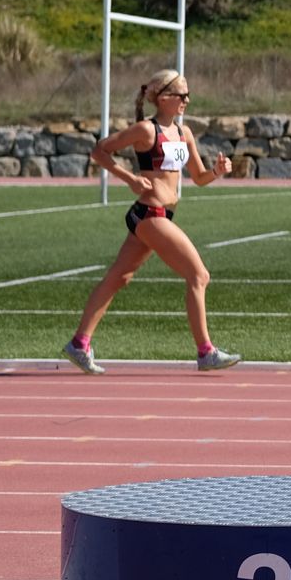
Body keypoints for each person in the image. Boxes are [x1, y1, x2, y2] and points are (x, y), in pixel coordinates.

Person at [62, 69, 240, 374]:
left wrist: (217, 171)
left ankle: (79, 344)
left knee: (119, 277)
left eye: (188, 95)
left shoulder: (184, 134)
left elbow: (198, 178)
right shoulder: (147, 130)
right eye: (182, 95)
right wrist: (130, 179)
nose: (187, 100)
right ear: (163, 97)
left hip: (160, 216)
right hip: (149, 215)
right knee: (199, 275)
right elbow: (100, 150)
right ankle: (206, 351)